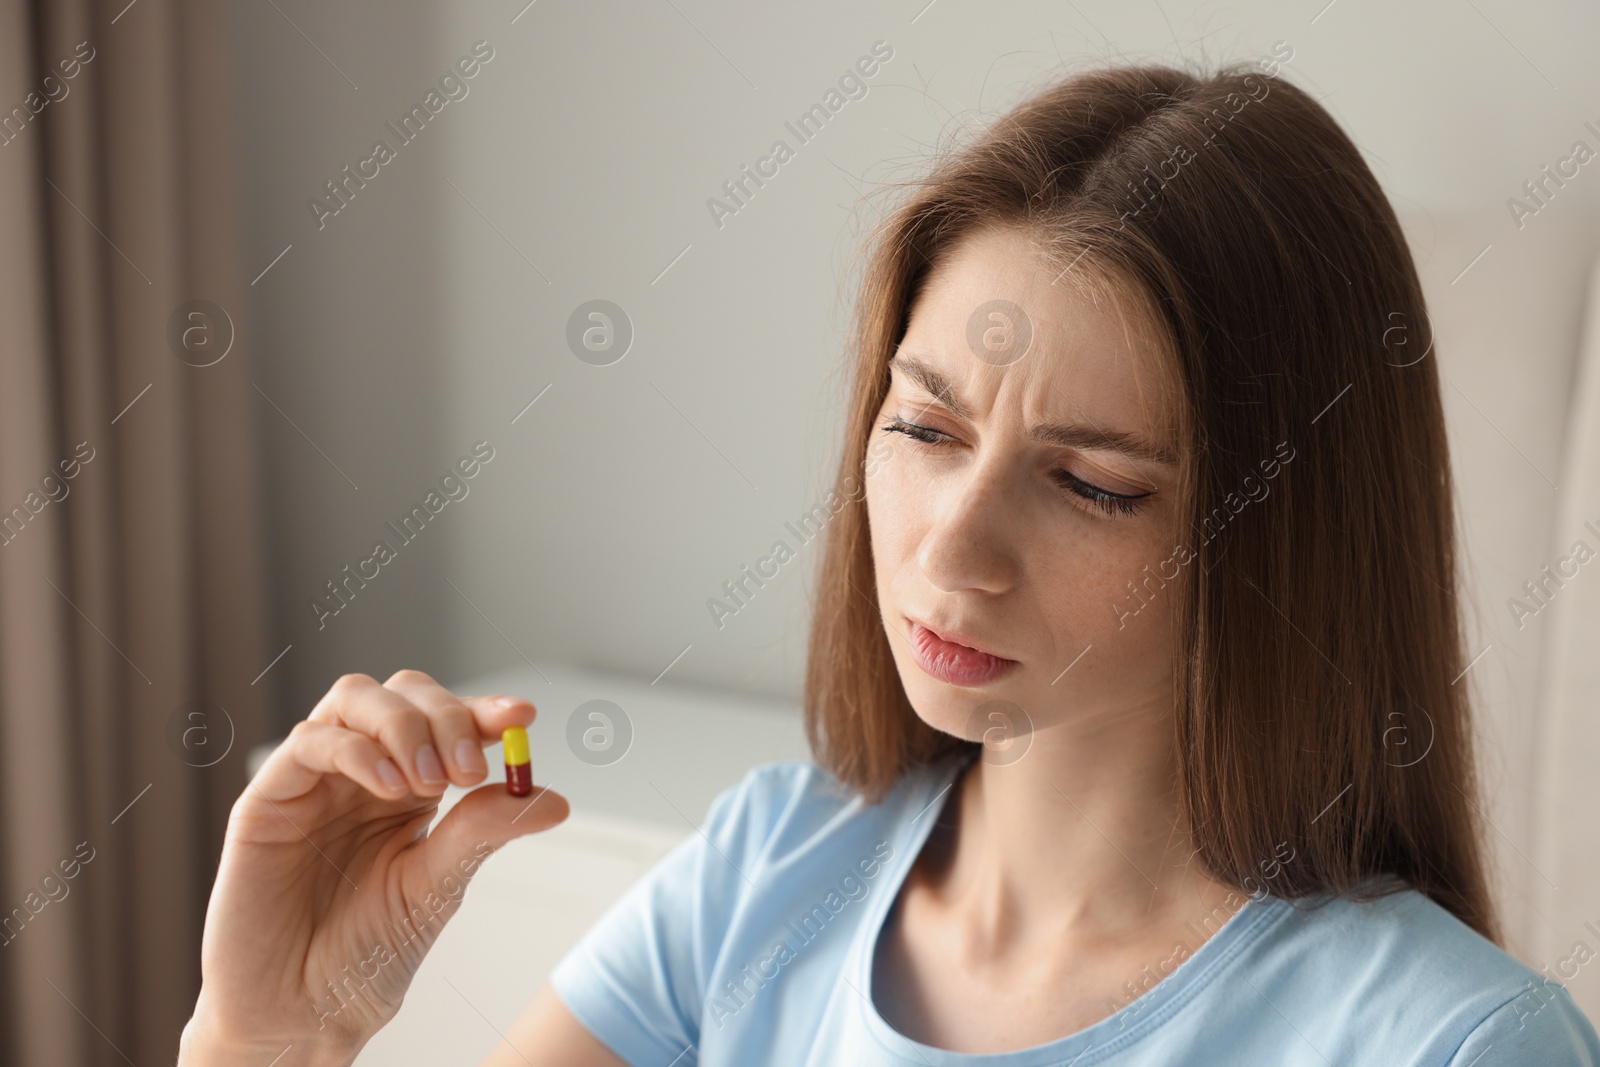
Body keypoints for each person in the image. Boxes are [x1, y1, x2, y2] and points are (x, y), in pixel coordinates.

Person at [177, 61, 1600, 1066]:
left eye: (1092, 485)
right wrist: (276, 1035)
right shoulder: (766, 875)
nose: (952, 547)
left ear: (1279, 543)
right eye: (924, 426)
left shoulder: (1453, 1045)